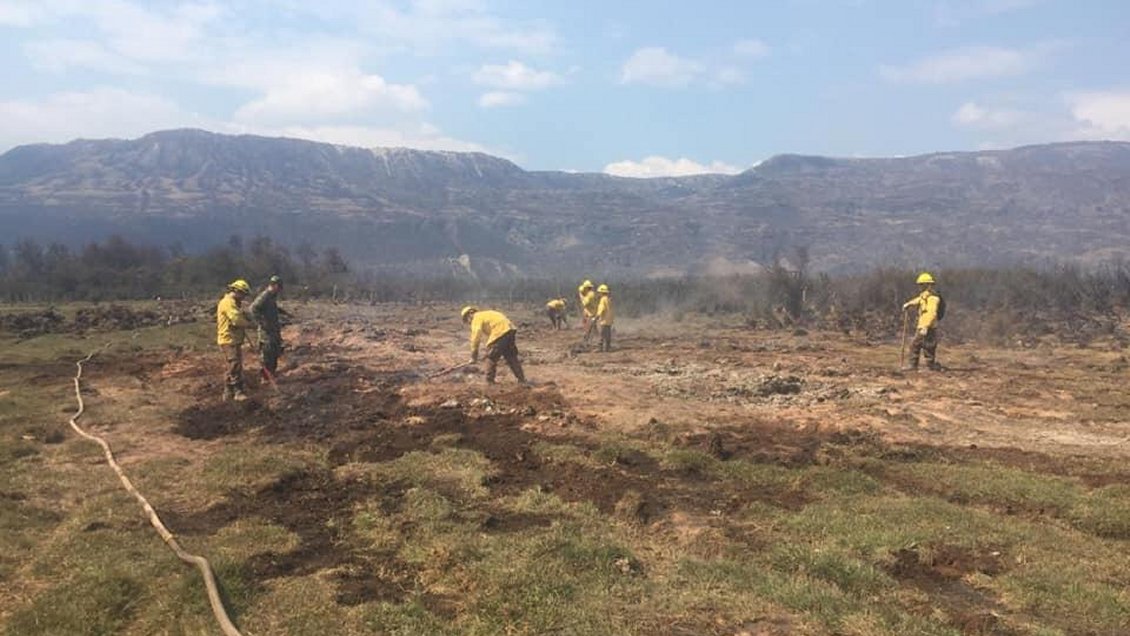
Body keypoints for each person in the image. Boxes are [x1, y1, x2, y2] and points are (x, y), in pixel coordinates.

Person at [461, 306, 528, 385]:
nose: (469, 323)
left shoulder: (476, 318)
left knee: (491, 357)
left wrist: (474, 355)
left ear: (469, 315)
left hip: (500, 332)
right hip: (510, 330)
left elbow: (476, 336)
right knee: (511, 357)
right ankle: (522, 380)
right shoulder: (486, 314)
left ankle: (489, 382)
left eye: (467, 320)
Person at [216, 279, 253, 401]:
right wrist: (248, 324)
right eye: (243, 294)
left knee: (232, 366)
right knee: (234, 365)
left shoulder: (234, 303)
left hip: (233, 339)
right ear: (236, 291)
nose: (243, 297)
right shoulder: (228, 303)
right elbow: (236, 319)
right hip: (229, 339)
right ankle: (237, 391)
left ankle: (228, 392)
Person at [902, 272, 943, 371]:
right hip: (924, 326)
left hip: (928, 327)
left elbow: (932, 313)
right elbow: (919, 300)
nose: (920, 287)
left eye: (921, 285)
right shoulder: (925, 296)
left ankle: (913, 366)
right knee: (928, 347)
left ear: (927, 285)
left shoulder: (933, 298)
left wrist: (925, 327)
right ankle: (930, 366)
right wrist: (909, 304)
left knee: (915, 345)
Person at [250, 275, 286, 378]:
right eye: (278, 287)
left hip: (273, 331)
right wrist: (262, 322)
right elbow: (253, 309)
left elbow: (269, 309)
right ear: (274, 285)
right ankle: (265, 377)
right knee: (267, 354)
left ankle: (272, 373)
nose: (279, 290)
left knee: (275, 352)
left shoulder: (272, 297)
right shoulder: (264, 296)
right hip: (266, 333)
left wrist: (282, 312)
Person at [595, 284, 614, 352]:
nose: (598, 293)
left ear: (602, 292)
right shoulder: (608, 299)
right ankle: (607, 348)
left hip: (604, 320)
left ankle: (600, 348)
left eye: (599, 292)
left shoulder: (603, 300)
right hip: (609, 320)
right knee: (608, 335)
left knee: (601, 335)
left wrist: (596, 317)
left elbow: (601, 309)